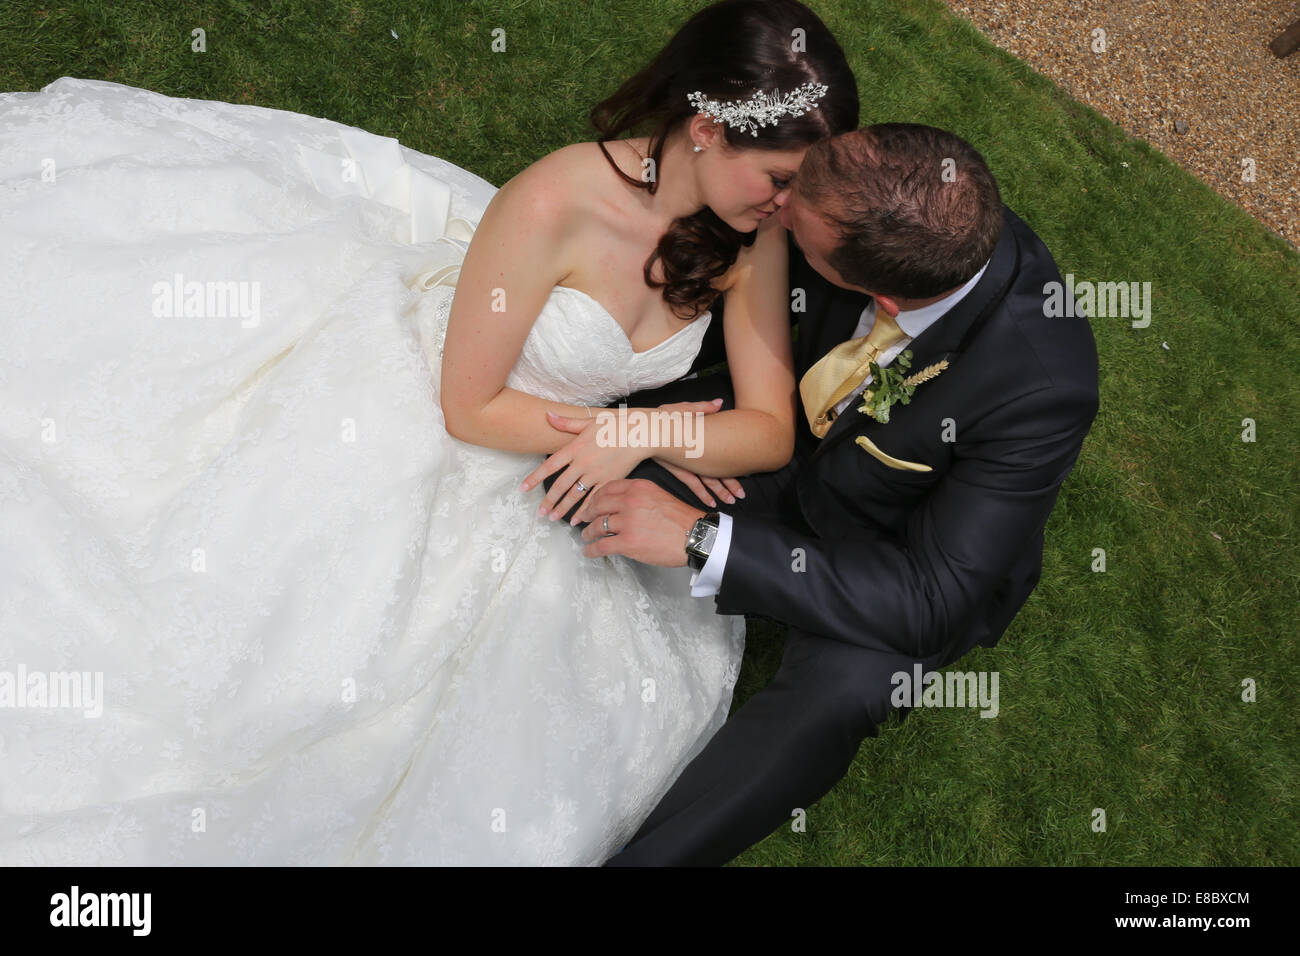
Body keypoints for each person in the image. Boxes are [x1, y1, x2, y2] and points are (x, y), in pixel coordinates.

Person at [0, 0, 857, 864]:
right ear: (707, 130)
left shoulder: (750, 240)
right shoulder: (554, 201)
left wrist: (640, 433)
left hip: (558, 460)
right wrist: (621, 431)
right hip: (443, 414)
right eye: (780, 179)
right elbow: (470, 406)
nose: (791, 204)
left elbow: (768, 433)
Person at [579, 123, 1101, 866]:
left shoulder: (1043, 388)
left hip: (897, 558)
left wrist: (703, 539)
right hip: (792, 439)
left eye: (794, 211)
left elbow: (932, 598)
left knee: (839, 697)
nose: (779, 205)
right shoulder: (867, 190)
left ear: (877, 290)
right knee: (609, 476)